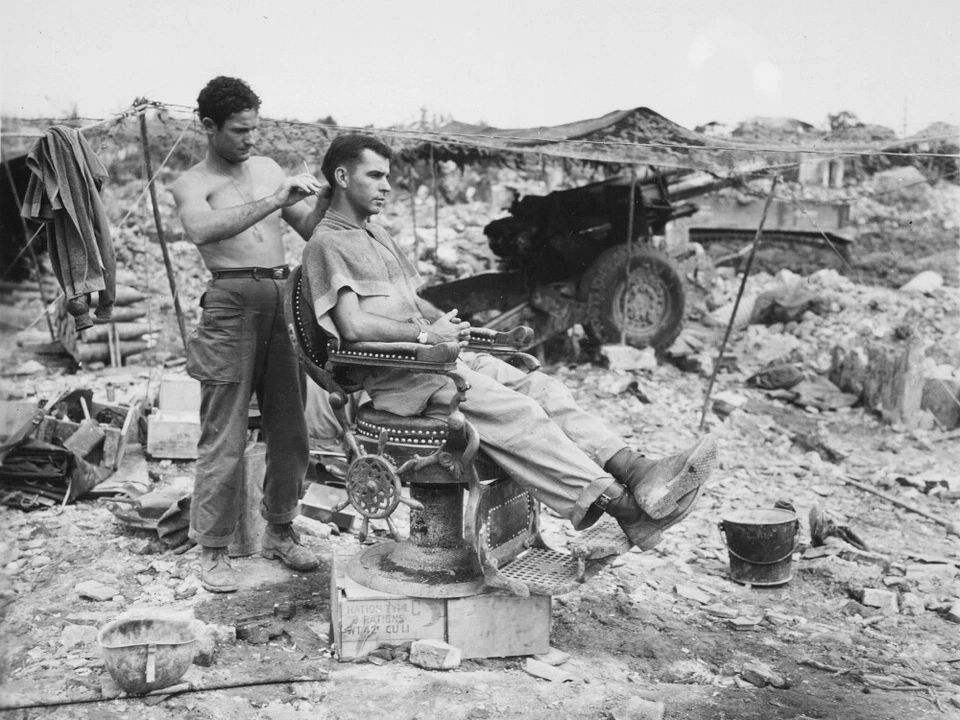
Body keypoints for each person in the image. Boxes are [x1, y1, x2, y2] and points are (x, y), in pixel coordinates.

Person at [301, 133, 718, 548]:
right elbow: (352, 325)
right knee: (520, 411)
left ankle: (635, 469)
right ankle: (623, 508)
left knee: (542, 388)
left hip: (440, 359)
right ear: (341, 176)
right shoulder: (328, 242)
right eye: (375, 176)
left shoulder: (375, 235)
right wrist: (427, 334)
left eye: (387, 176)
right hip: (403, 377)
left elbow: (413, 303)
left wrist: (450, 325)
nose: (387, 186)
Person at [172, 76, 330, 592]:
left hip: (281, 297)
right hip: (230, 303)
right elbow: (202, 230)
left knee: (291, 428)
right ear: (208, 126)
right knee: (225, 434)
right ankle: (213, 550)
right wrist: (274, 199)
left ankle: (280, 531)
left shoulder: (265, 168)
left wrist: (326, 197)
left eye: (255, 129)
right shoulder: (191, 183)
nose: (250, 139)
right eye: (240, 130)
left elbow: (307, 229)